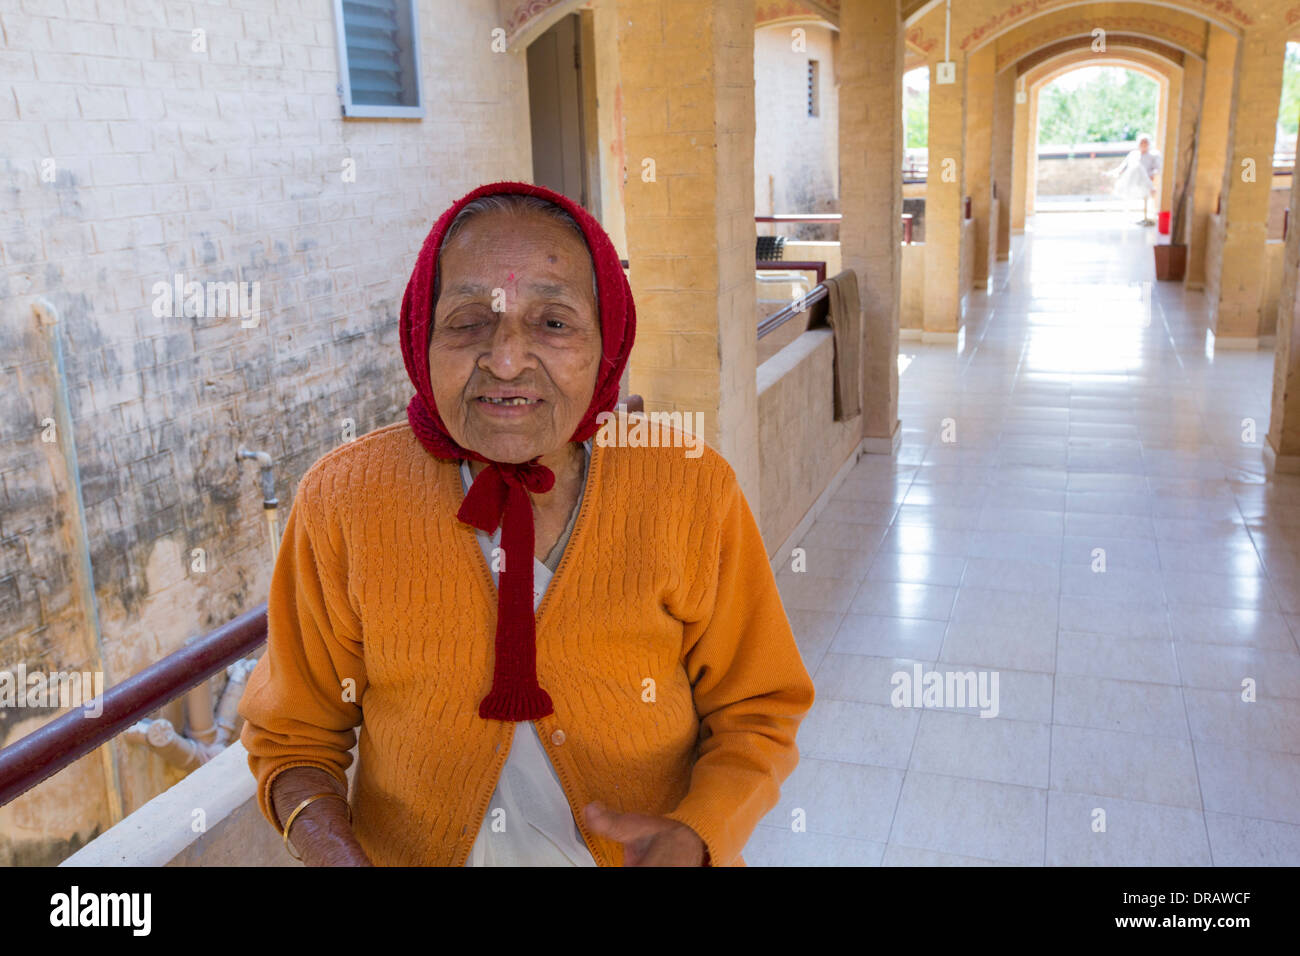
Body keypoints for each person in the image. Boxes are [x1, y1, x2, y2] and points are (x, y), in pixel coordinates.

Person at [237, 180, 816, 867]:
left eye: (553, 322)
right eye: (469, 321)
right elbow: (293, 738)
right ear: (423, 336)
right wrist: (336, 854)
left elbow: (759, 710)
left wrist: (695, 834)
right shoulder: (344, 502)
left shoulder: (690, 488)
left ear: (607, 342)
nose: (507, 360)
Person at [1109, 133, 1162, 225]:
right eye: (1142, 142)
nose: (1144, 144)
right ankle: (1150, 189)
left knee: (1139, 169)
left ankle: (1150, 189)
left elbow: (1157, 169)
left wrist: (1152, 175)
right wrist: (1113, 173)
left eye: (1146, 142)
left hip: (1146, 180)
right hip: (1132, 180)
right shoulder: (1133, 155)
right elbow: (1123, 167)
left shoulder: (1153, 155)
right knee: (1136, 167)